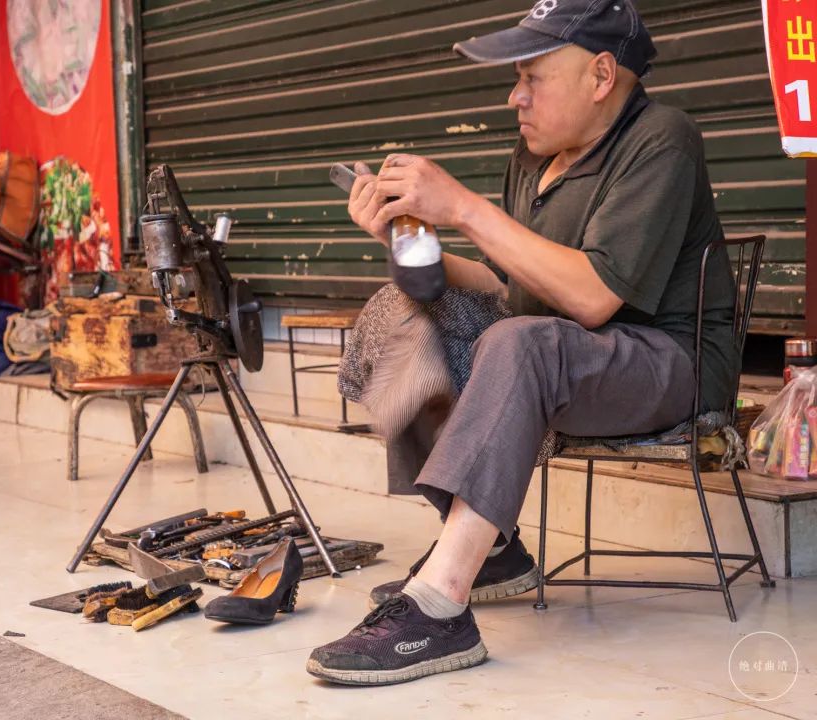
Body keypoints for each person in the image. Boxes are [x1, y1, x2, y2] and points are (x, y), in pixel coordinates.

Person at [307, 0, 738, 686]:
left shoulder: (662, 137)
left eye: (533, 76)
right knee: (399, 313)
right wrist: (409, 235)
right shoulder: (532, 157)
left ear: (601, 74)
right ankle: (496, 549)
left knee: (520, 343)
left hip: (665, 363)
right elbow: (509, 283)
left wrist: (465, 208)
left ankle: (442, 607)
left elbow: (595, 297)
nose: (516, 97)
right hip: (558, 349)